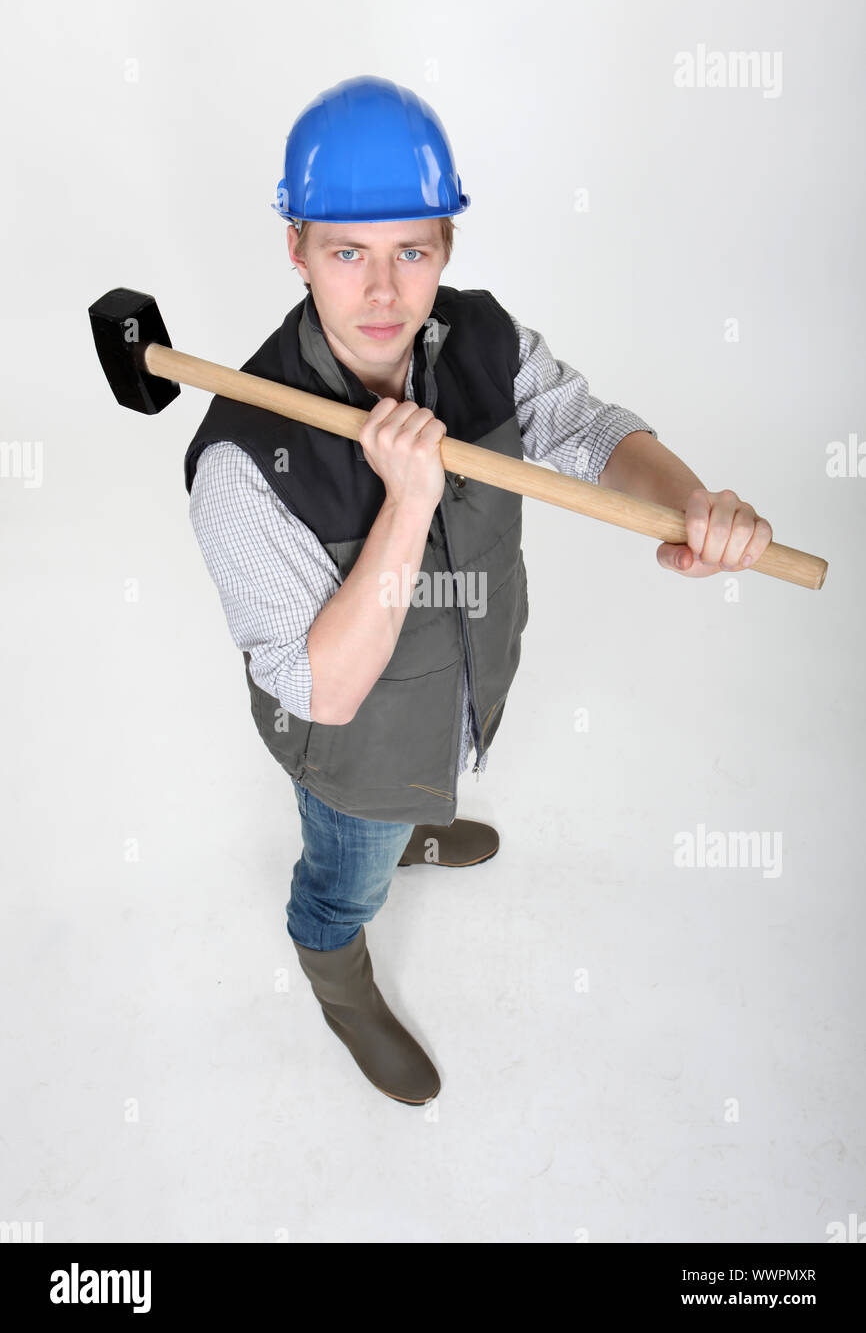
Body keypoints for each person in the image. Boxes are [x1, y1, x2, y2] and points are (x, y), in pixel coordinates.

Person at [183, 75, 773, 1107]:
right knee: (343, 871)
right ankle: (337, 972)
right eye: (345, 253)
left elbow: (585, 432)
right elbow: (321, 691)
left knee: (431, 768)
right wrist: (406, 502)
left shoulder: (485, 345)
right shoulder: (238, 461)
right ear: (297, 249)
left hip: (455, 694)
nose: (380, 293)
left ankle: (425, 812)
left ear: (446, 245)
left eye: (409, 251)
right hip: (354, 757)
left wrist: (692, 503)